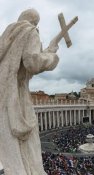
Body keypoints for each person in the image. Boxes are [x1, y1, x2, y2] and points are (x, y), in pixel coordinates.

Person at [0, 9, 59, 174]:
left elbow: (21, 66)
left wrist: (47, 49)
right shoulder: (29, 30)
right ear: (35, 22)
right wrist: (51, 56)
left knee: (8, 146)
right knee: (30, 147)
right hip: (17, 97)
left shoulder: (6, 36)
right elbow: (32, 62)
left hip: (2, 94)